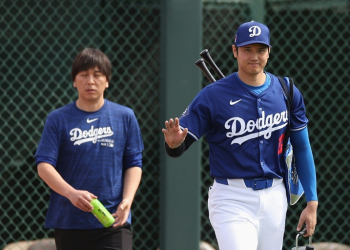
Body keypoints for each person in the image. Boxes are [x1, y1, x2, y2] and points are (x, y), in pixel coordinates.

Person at [162, 21, 318, 250]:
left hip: (275, 194)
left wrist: (311, 202)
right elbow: (179, 145)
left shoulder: (287, 90)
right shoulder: (212, 95)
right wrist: (174, 144)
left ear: (269, 51)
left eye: (260, 49)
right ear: (235, 51)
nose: (254, 56)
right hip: (231, 197)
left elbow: (302, 147)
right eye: (247, 49)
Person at [35, 48, 144, 250]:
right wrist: (71, 193)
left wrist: (127, 200)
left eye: (97, 75)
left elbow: (134, 164)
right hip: (69, 222)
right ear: (74, 81)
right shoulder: (58, 119)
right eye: (84, 75)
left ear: (107, 81)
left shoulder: (125, 116)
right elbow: (44, 166)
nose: (90, 81)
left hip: (114, 220)